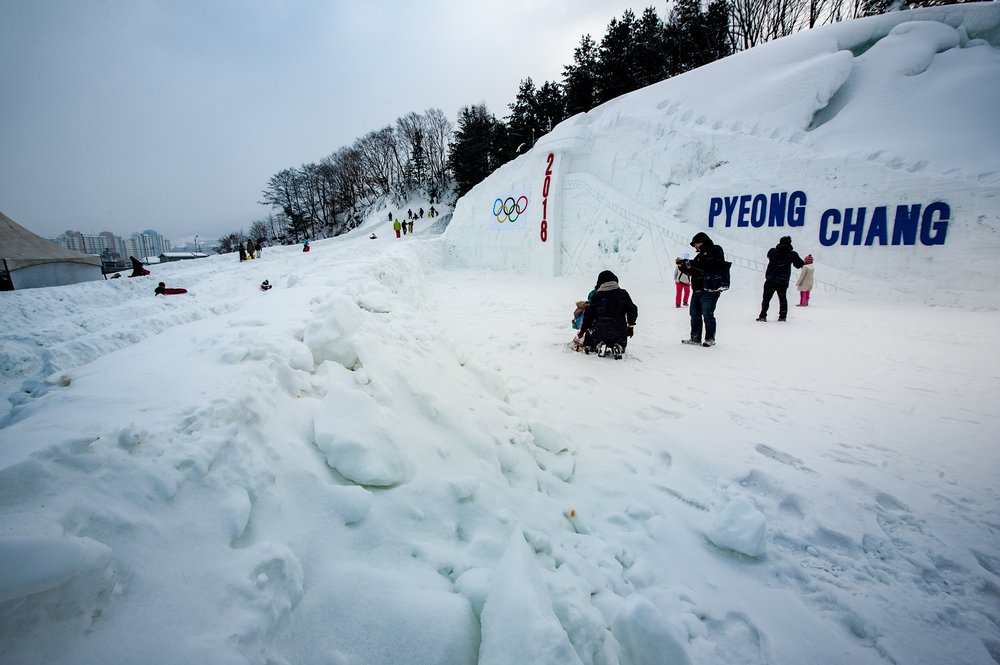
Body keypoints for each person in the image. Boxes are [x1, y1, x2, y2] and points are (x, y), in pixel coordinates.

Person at [676, 232, 729, 347]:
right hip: (698, 289)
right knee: (694, 314)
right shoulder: (700, 256)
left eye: (696, 244)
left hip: (710, 290)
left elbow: (706, 264)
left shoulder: (715, 250)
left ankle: (710, 338)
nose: (695, 247)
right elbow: (693, 271)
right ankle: (695, 338)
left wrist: (689, 262)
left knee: (707, 314)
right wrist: (682, 265)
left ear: (702, 241)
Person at [577, 270, 638, 359]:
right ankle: (619, 346)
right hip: (619, 331)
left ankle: (600, 344)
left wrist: (582, 330)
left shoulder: (597, 296)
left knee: (596, 334)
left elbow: (589, 316)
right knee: (620, 338)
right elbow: (632, 310)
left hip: (601, 331)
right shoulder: (623, 294)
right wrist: (631, 326)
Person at [757, 236, 805, 322]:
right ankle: (782, 316)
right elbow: (799, 264)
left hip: (771, 279)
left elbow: (768, 256)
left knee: (766, 299)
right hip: (783, 280)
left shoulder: (773, 251)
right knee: (782, 299)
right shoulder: (791, 254)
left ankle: (763, 315)